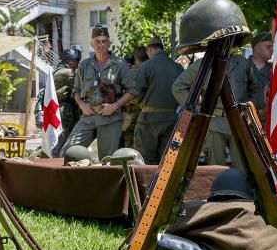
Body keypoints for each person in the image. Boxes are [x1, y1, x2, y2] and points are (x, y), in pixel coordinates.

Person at [59, 26, 138, 160]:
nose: (101, 44)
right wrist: (82, 104)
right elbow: (76, 91)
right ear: (91, 43)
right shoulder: (84, 65)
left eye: (104, 41)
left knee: (106, 159)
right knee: (68, 152)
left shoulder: (119, 64)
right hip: (87, 117)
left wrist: (115, 106)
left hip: (110, 118)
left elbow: (132, 91)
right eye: (97, 41)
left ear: (108, 43)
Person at [172, 46, 261, 166]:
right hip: (214, 123)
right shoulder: (203, 64)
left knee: (243, 167)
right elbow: (178, 87)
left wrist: (247, 107)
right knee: (215, 168)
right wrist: (197, 109)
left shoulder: (242, 63)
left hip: (238, 121)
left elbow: (255, 89)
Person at [133, 37, 184, 163]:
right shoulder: (178, 67)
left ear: (149, 49)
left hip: (149, 120)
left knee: (145, 160)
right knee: (167, 161)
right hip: (172, 119)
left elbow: (137, 92)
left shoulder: (146, 65)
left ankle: (148, 183)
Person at [122, 46, 149, 148]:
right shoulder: (150, 71)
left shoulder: (126, 73)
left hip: (129, 114)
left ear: (136, 58)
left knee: (128, 141)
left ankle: (127, 161)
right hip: (146, 113)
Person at [247, 32, 273, 120]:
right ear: (257, 48)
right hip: (244, 120)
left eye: (272, 46)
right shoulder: (242, 66)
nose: (272, 49)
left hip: (267, 121)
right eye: (268, 46)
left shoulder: (275, 70)